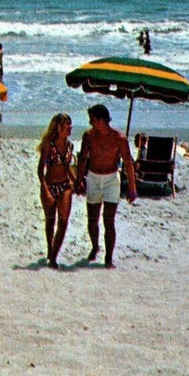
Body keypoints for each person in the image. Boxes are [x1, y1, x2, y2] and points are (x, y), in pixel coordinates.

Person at [75, 104, 137, 269]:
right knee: (92, 220)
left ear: (102, 120)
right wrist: (78, 179)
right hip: (94, 177)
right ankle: (95, 246)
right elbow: (83, 158)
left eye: (93, 119)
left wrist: (132, 187)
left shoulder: (119, 138)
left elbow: (128, 163)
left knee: (109, 221)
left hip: (111, 180)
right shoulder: (89, 136)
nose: (90, 122)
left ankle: (108, 257)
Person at [37, 113, 76, 269]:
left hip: (65, 186)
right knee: (50, 220)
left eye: (70, 124)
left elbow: (67, 168)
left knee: (64, 221)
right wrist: (46, 190)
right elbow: (40, 171)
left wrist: (77, 181)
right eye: (67, 124)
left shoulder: (70, 145)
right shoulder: (48, 145)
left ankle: (53, 257)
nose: (70, 127)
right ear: (58, 127)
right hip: (49, 185)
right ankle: (49, 249)